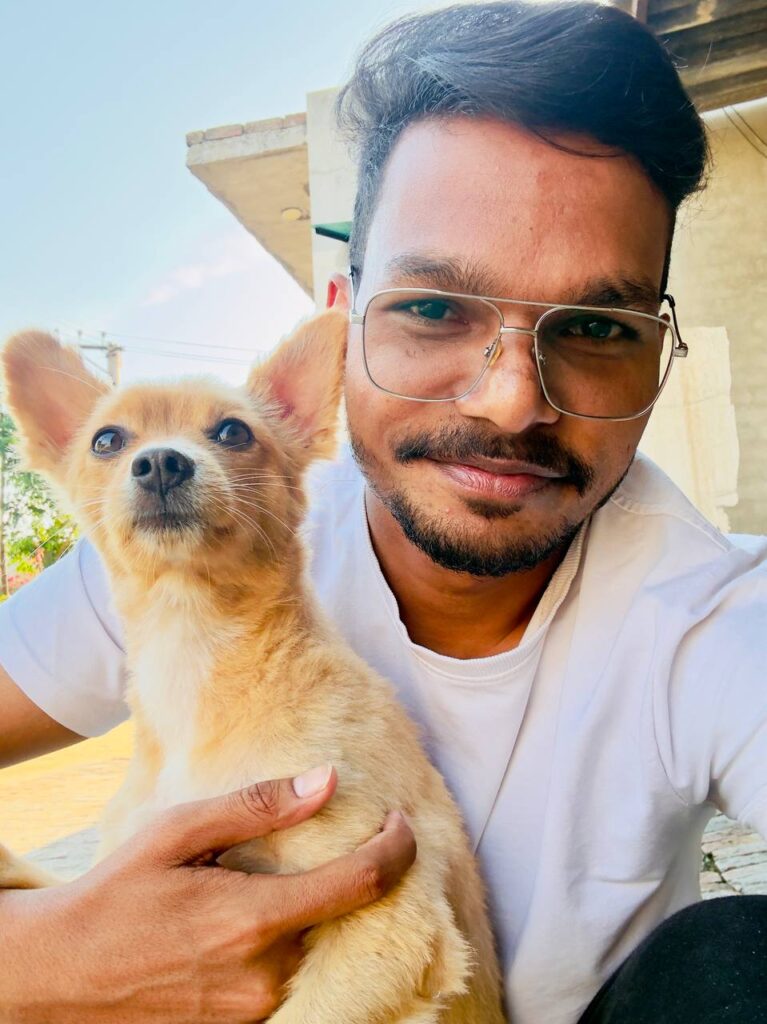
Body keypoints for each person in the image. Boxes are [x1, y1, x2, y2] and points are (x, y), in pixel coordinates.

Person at [1, 2, 766, 1022]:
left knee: (731, 958)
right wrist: (43, 960)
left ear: (658, 356)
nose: (509, 402)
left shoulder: (713, 619)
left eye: (593, 326)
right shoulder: (193, 538)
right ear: (344, 320)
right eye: (433, 309)